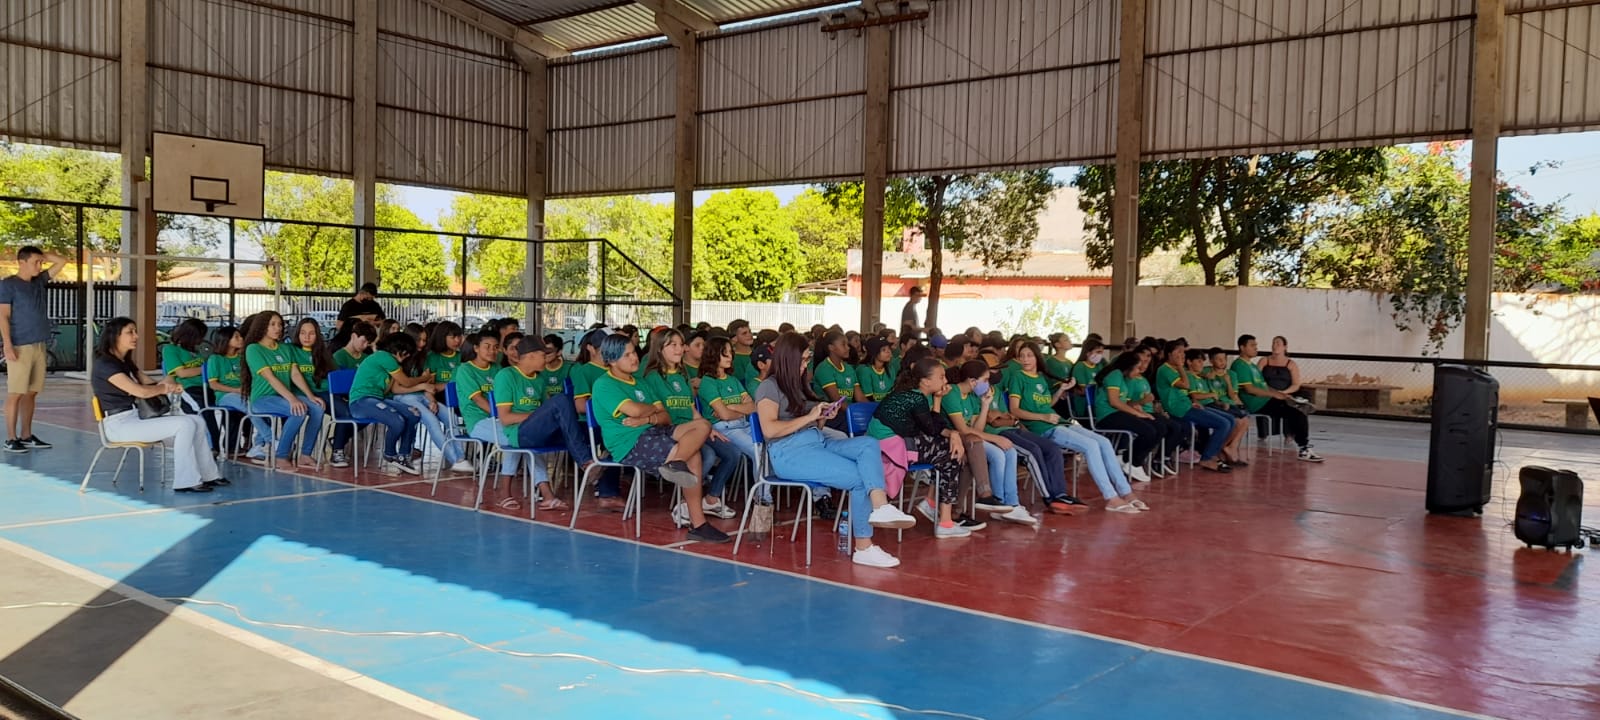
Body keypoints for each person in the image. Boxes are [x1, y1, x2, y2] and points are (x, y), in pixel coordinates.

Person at [757, 332, 917, 567]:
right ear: (788, 359)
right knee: (859, 477)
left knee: (868, 444)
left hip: (814, 441)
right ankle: (864, 546)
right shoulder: (769, 388)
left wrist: (821, 417)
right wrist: (810, 417)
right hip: (789, 453)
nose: (805, 365)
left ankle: (881, 507)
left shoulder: (799, 385)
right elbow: (769, 430)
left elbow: (806, 422)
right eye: (802, 360)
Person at [590, 334, 730, 543]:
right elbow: (634, 409)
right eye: (626, 355)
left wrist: (648, 416)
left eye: (634, 352)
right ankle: (698, 524)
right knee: (694, 456)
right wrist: (650, 412)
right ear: (611, 359)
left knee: (703, 424)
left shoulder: (639, 382)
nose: (634, 358)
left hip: (653, 430)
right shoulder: (604, 384)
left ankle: (675, 463)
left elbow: (664, 415)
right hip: (629, 442)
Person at [92, 317, 227, 492]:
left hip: (136, 419)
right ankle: (185, 481)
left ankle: (210, 475)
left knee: (197, 421)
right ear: (114, 336)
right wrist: (164, 388)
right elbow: (140, 392)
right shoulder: (105, 365)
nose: (136, 336)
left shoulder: (126, 363)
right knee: (184, 424)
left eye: (135, 331)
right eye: (130, 332)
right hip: (119, 425)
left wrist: (170, 381)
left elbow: (151, 385)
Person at [1010, 341, 1147, 512]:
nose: (1025, 359)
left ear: (1037, 357)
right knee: (1090, 446)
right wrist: (1042, 417)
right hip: (1043, 428)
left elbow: (1046, 404)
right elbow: (1014, 410)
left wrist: (1060, 391)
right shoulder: (1018, 377)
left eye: (1029, 355)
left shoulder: (1040, 378)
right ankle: (1111, 496)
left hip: (1059, 422)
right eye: (1022, 356)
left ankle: (1126, 492)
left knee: (1103, 442)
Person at [868, 358, 971, 537]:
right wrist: (953, 434)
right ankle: (945, 522)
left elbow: (932, 426)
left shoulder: (914, 394)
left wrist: (938, 400)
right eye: (941, 377)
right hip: (888, 448)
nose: (945, 381)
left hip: (895, 442)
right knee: (951, 454)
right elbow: (932, 429)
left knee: (946, 450)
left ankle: (932, 505)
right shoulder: (916, 398)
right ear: (925, 381)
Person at [644, 329, 740, 522]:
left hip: (694, 429)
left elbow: (691, 409)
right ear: (660, 349)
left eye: (681, 344)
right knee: (708, 454)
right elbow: (661, 414)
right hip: (671, 431)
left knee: (732, 453)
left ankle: (711, 499)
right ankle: (686, 505)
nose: (680, 349)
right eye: (673, 345)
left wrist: (708, 428)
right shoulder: (653, 377)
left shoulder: (682, 375)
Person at [489, 336, 594, 512]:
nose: (546, 359)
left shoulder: (539, 379)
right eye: (542, 355)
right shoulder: (506, 376)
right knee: (562, 400)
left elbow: (547, 413)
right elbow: (506, 418)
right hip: (520, 433)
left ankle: (599, 463)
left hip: (539, 432)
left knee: (579, 423)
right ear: (530, 356)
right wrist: (538, 415)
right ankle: (585, 462)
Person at [945, 360, 1036, 526]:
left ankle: (1011, 503)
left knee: (1011, 451)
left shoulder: (972, 396)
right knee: (998, 455)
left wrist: (985, 405)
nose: (988, 384)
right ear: (972, 381)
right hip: (953, 439)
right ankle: (993, 498)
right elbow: (964, 429)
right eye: (985, 380)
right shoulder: (952, 393)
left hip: (972, 439)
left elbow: (977, 427)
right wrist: (995, 438)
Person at [241, 311, 326, 471]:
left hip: (283, 397)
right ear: (262, 326)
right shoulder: (253, 349)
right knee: (299, 411)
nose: (278, 328)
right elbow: (270, 378)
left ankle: (305, 455)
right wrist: (293, 399)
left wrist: (310, 396)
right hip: (262, 399)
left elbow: (295, 373)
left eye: (280, 324)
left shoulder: (285, 348)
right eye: (272, 324)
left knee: (317, 408)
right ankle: (280, 456)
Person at [0, 245, 63, 453]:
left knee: (31, 392)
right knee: (16, 392)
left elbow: (61, 262)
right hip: (20, 345)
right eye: (35, 262)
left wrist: (42, 254)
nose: (40, 265)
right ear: (21, 262)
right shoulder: (9, 285)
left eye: (41, 262)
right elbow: (3, 316)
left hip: (39, 344)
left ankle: (26, 435)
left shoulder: (39, 282)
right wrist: (7, 344)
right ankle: (11, 438)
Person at [1233, 334, 1322, 462]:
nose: (1256, 348)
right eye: (1252, 345)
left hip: (1266, 400)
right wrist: (1274, 395)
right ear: (1242, 347)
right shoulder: (1240, 365)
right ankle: (1304, 448)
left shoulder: (1252, 366)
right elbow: (1250, 389)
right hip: (1256, 403)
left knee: (1296, 406)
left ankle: (1302, 443)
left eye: (1256, 345)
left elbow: (1264, 386)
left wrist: (1281, 395)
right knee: (1296, 412)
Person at [347, 333, 424, 475]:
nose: (407, 357)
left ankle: (404, 455)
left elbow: (393, 389)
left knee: (414, 414)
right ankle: (390, 453)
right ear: (399, 349)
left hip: (378, 399)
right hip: (361, 402)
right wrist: (424, 379)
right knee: (397, 420)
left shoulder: (391, 363)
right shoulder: (384, 357)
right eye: (406, 353)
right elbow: (406, 382)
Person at [1155, 342, 1236, 473]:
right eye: (1178, 353)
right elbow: (1186, 385)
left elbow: (1182, 393)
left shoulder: (1175, 369)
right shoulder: (1165, 369)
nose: (1181, 355)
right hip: (1178, 409)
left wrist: (1191, 402)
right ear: (1169, 355)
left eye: (1183, 352)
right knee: (1223, 424)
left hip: (1187, 405)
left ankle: (1213, 453)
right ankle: (1207, 458)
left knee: (1231, 420)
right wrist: (1182, 367)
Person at [1090, 350, 1160, 484]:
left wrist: (1139, 411)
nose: (1139, 371)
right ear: (1128, 366)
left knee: (1155, 426)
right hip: (1108, 415)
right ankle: (1134, 463)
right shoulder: (1114, 375)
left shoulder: (1122, 377)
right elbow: (1114, 402)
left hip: (1117, 413)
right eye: (1137, 368)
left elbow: (1124, 402)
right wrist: (1137, 413)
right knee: (1148, 431)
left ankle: (1126, 459)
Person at [1181, 348, 1249, 466]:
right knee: (1231, 422)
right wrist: (1212, 391)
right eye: (1199, 361)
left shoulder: (1229, 374)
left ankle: (1225, 448)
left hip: (1216, 403)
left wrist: (1221, 401)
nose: (1222, 362)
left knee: (1243, 420)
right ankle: (1213, 453)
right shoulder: (1197, 375)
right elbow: (1195, 396)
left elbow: (1232, 396)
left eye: (1224, 359)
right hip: (1203, 406)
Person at [162, 318, 221, 450]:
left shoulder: (198, 351)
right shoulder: (171, 350)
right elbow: (182, 373)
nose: (201, 340)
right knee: (204, 413)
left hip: (208, 386)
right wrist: (206, 369)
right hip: (190, 389)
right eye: (199, 336)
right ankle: (213, 447)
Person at [204, 326, 249, 457]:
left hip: (243, 393)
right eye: (236, 337)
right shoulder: (215, 359)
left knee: (258, 404)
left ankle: (254, 443)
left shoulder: (242, 358)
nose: (241, 339)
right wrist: (236, 390)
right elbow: (213, 385)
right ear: (225, 340)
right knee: (251, 408)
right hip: (224, 395)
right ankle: (269, 441)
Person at [855, 337, 893, 402]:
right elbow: (868, 398)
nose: (888, 352)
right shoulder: (864, 370)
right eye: (884, 350)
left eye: (889, 349)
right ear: (873, 352)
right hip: (869, 408)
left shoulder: (890, 369)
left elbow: (891, 394)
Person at [539, 334, 571, 399]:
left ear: (559, 352)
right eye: (543, 351)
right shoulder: (538, 369)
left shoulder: (569, 369)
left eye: (549, 351)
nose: (545, 354)